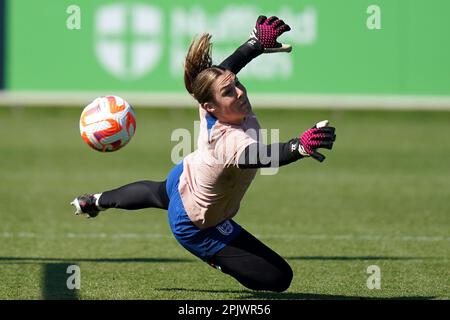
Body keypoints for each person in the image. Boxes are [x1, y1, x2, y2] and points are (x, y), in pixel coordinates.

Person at [71, 16, 336, 293]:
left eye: (237, 84)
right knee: (279, 278)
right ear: (211, 106)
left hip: (186, 174)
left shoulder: (213, 100)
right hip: (195, 221)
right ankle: (216, 258)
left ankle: (96, 201)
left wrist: (255, 44)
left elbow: (225, 70)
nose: (240, 92)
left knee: (159, 192)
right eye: (229, 92)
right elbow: (259, 154)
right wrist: (298, 147)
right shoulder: (227, 142)